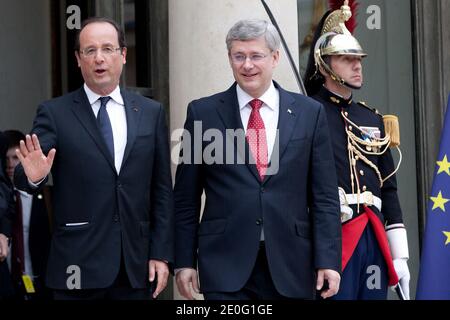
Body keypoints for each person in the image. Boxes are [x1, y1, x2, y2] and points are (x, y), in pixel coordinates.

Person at [174, 19, 341, 300]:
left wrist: (328, 260)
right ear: (230, 58)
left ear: (275, 57)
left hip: (293, 265)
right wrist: (184, 261)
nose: (247, 65)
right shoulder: (202, 113)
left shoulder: (309, 113)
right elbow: (185, 198)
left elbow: (324, 197)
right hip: (225, 265)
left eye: (256, 56)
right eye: (239, 56)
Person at [14, 17, 174, 300]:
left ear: (123, 55)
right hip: (77, 267)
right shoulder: (55, 113)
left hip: (134, 267)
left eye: (108, 49)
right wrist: (34, 175)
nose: (99, 58)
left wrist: (161, 253)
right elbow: (25, 173)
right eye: (89, 50)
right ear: (78, 59)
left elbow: (161, 190)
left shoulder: (151, 112)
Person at [304, 1, 410, 300]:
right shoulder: (307, 112)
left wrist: (399, 254)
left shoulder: (372, 118)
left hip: (373, 235)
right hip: (333, 238)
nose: (357, 65)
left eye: (358, 58)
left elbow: (388, 187)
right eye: (346, 59)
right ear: (325, 64)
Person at [3, 130, 52, 300]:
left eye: (15, 158)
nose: (10, 164)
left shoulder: (46, 197)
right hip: (6, 285)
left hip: (40, 282)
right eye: (5, 158)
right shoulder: (2, 200)